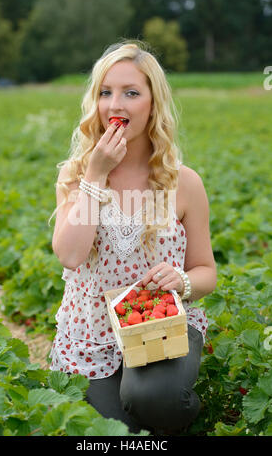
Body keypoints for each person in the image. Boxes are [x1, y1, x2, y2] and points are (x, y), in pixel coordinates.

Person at [48, 40, 217, 435]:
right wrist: (96, 175)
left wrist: (184, 281)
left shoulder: (183, 183)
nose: (115, 105)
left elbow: (206, 270)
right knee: (116, 431)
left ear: (153, 104)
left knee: (151, 399)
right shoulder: (75, 176)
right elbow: (70, 255)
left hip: (161, 324)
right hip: (92, 333)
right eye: (105, 93)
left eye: (131, 93)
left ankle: (177, 402)